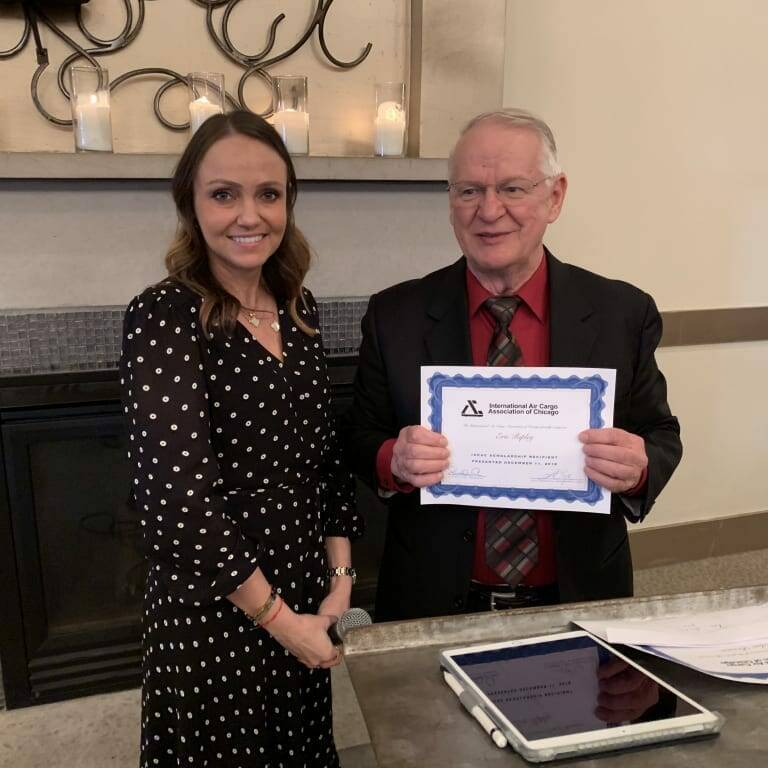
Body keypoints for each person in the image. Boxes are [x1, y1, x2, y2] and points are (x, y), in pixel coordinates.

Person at [345, 108, 681, 622]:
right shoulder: (395, 315)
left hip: (581, 597)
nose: (489, 209)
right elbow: (359, 435)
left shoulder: (623, 313)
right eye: (469, 191)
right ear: (451, 202)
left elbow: (660, 433)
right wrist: (394, 458)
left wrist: (638, 468)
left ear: (556, 196)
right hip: (429, 599)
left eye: (513, 188)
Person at [120, 111, 362, 768]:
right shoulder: (162, 316)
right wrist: (281, 623)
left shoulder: (298, 308)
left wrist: (338, 579)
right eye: (223, 194)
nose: (249, 214)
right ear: (191, 205)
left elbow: (325, 460)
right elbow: (177, 502)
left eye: (269, 194)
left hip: (303, 588)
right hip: (216, 608)